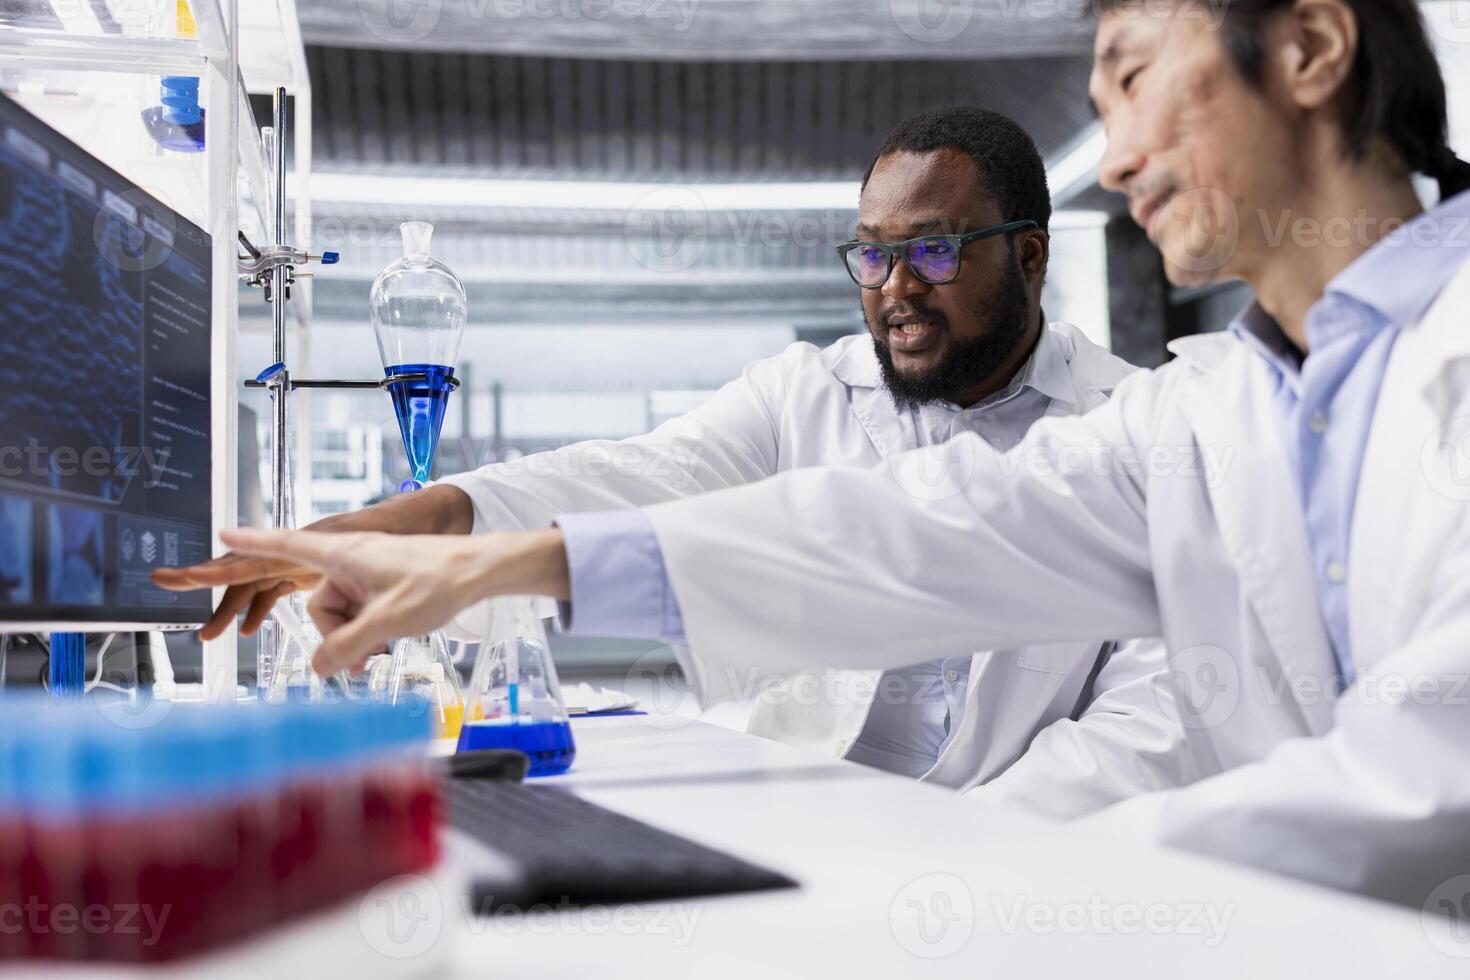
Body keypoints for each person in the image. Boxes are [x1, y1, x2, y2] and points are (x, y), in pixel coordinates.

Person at [197, 0, 1470, 906]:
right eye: (874, 250)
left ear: (1309, 45)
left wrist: (971, 881)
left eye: (1135, 79)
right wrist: (488, 545)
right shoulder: (1216, 407)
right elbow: (916, 529)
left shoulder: (1365, 364)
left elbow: (1420, 777)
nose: (1122, 157)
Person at [159, 107, 1184, 811]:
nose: (894, 287)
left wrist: (939, 857)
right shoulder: (806, 393)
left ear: (1032, 255)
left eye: (935, 250)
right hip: (797, 821)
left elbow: (1145, 734)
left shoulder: (1132, 429)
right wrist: (402, 523)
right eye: (871, 253)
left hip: (1012, 870)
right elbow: (640, 476)